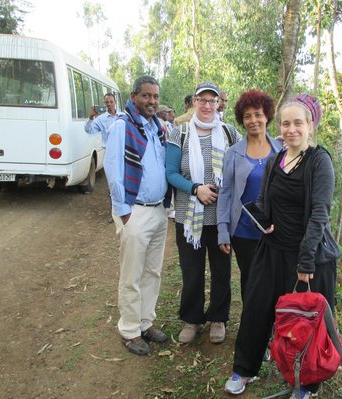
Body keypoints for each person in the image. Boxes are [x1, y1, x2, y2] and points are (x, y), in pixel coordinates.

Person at [224, 94, 339, 397]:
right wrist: (263, 220)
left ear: (310, 125)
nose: (291, 129)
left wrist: (305, 263)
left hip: (308, 258)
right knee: (256, 310)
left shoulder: (319, 161)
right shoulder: (276, 158)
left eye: (297, 123)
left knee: (307, 323)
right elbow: (263, 200)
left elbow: (319, 214)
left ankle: (307, 383)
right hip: (272, 250)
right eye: (285, 123)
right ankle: (244, 369)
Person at [166, 82, 241, 345]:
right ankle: (192, 319)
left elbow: (243, 163)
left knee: (221, 270)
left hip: (221, 218)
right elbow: (171, 172)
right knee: (192, 270)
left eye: (213, 100)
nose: (208, 105)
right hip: (189, 216)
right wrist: (195, 188)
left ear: (219, 103)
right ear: (194, 102)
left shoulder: (230, 133)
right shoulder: (181, 133)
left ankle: (218, 318)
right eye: (202, 100)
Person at [104, 75, 170, 356]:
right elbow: (112, 169)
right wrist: (123, 212)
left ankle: (145, 322)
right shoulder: (123, 126)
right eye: (146, 96)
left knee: (152, 271)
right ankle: (130, 330)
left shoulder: (158, 128)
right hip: (135, 211)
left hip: (158, 211)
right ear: (134, 97)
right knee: (132, 274)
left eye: (155, 97)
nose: (151, 101)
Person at [217, 90, 282, 302]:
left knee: (275, 282)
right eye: (247, 116)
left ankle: (273, 331)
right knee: (250, 283)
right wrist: (222, 230)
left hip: (277, 231)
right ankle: (251, 331)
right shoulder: (234, 153)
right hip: (244, 232)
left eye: (257, 114)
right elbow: (225, 192)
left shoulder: (281, 150)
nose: (253, 120)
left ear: (267, 116)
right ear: (242, 120)